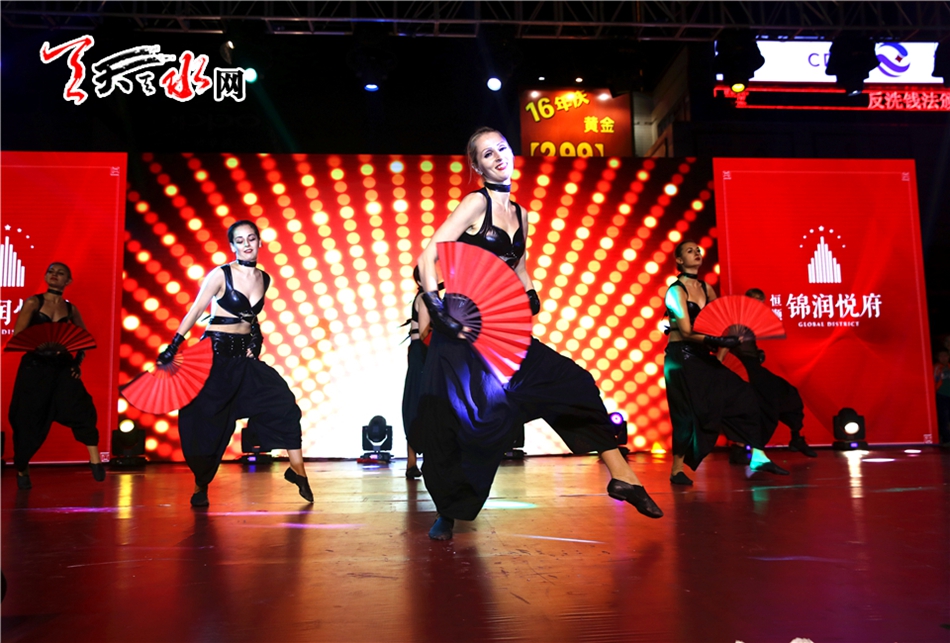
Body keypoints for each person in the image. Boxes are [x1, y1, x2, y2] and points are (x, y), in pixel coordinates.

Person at [411, 127, 662, 541]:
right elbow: (428, 255)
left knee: (572, 382)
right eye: (487, 154)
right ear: (476, 166)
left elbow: (519, 266)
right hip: (463, 332)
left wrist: (530, 293)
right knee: (463, 425)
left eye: (502, 149)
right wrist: (436, 306)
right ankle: (447, 512)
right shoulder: (476, 203)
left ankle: (622, 476)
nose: (498, 157)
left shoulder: (521, 214)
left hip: (502, 330)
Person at [157, 220, 310, 507]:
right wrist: (174, 344)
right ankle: (201, 486)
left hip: (242, 360)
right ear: (232, 246)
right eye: (240, 240)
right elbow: (196, 310)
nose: (247, 244)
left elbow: (251, 318)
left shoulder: (264, 278)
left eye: (251, 238)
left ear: (259, 242)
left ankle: (297, 470)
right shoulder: (221, 274)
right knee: (210, 427)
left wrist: (256, 340)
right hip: (214, 358)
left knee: (283, 403)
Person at [663, 241, 787, 486]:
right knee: (686, 413)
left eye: (698, 250)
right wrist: (718, 340)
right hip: (681, 358)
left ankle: (758, 455)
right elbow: (686, 331)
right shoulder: (676, 291)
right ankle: (677, 469)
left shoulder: (706, 288)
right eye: (690, 251)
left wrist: (729, 339)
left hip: (702, 355)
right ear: (679, 260)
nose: (696, 253)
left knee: (743, 394)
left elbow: (717, 320)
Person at [8, 262, 106, 489]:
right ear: (45, 276)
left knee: (82, 407)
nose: (55, 275)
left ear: (68, 281)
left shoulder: (70, 309)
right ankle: (22, 469)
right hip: (35, 368)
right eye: (51, 271)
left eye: (60, 273)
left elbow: (83, 340)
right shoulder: (33, 302)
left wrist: (77, 363)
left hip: (61, 367)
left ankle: (95, 460)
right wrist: (40, 345)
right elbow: (18, 335)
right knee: (27, 419)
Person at [723, 288, 816, 460]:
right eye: (755, 302)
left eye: (761, 303)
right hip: (743, 369)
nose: (758, 306)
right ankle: (742, 448)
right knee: (764, 403)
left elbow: (746, 347)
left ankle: (796, 437)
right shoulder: (737, 320)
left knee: (783, 396)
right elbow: (726, 346)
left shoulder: (749, 319)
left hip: (751, 367)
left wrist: (757, 353)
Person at [401, 267, 431, 479]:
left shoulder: (427, 297)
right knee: (420, 404)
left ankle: (414, 461)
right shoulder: (424, 298)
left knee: (420, 403)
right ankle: (413, 461)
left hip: (422, 352)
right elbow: (425, 333)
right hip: (424, 352)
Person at [935, 348, 950, 445]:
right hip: (941, 395)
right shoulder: (935, 367)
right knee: (943, 417)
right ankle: (946, 439)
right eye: (941, 356)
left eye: (945, 355)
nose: (943, 358)